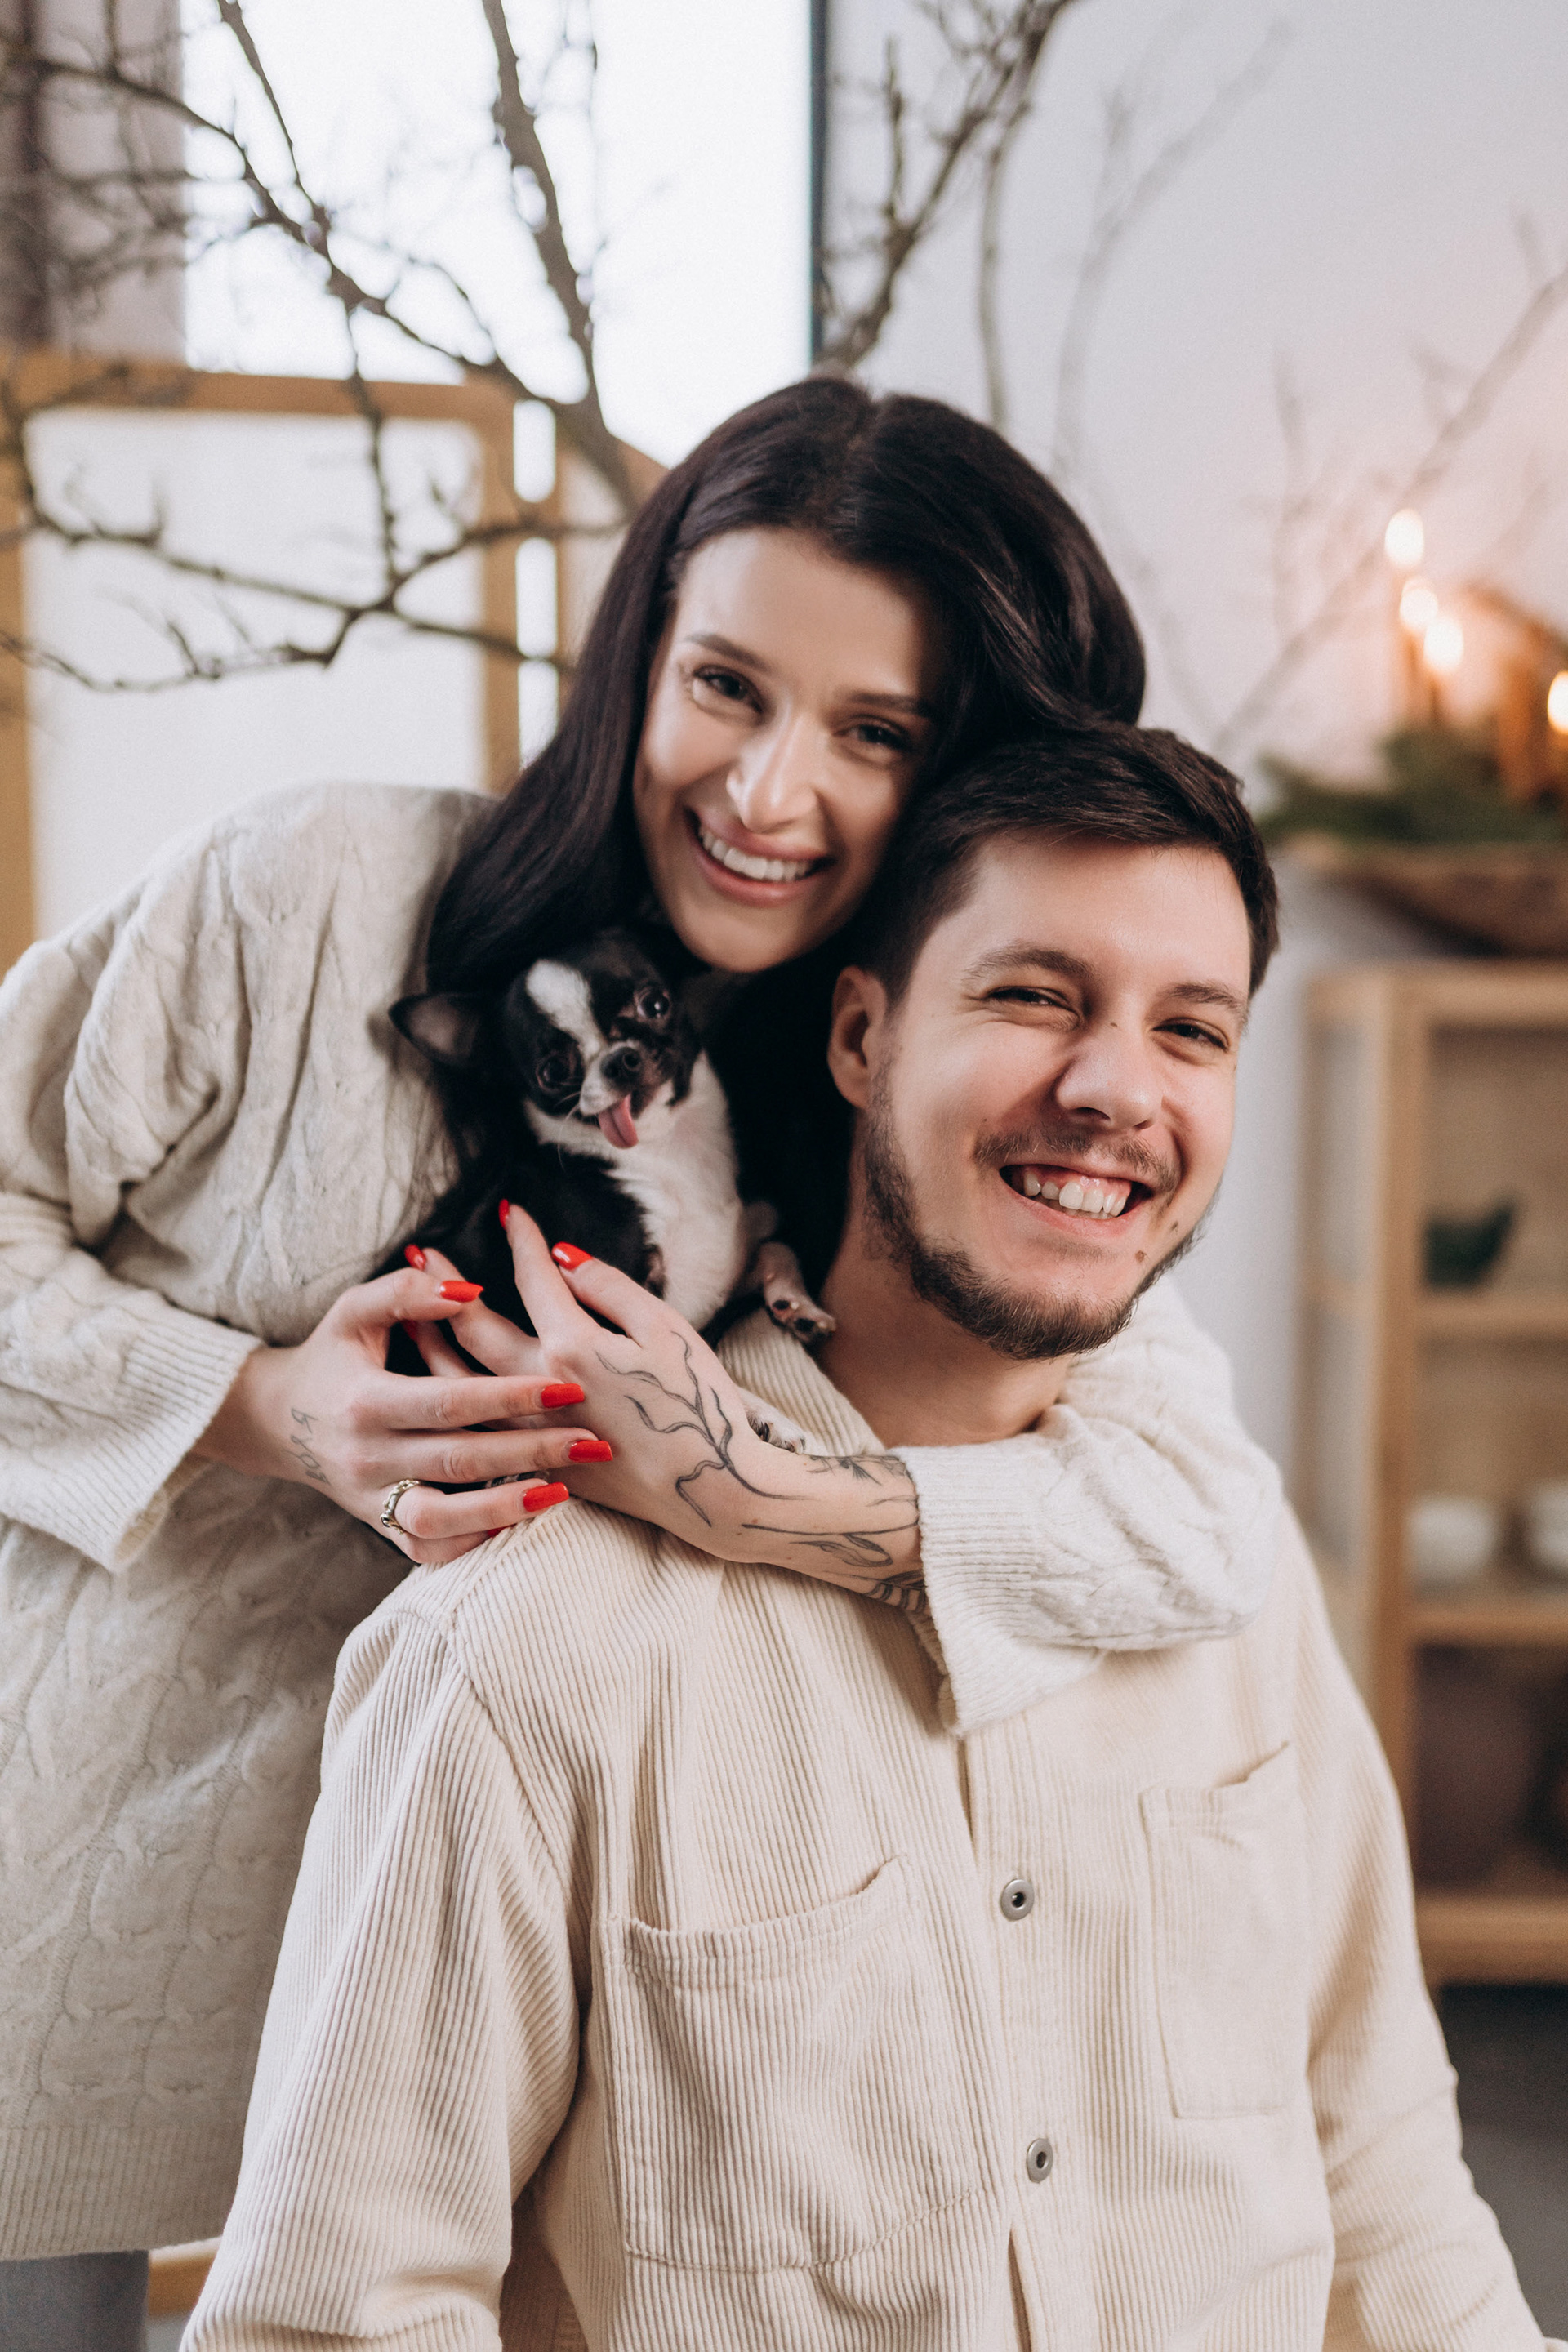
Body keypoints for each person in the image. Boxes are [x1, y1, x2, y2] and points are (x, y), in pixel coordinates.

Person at [0, 381, 1279, 2339]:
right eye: (726, 686)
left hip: (533, 2055)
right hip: (86, 1945)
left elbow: (1193, 1517)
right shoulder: (307, 897)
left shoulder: (900, 1120)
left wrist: (774, 1499)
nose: (769, 793)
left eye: (876, 734)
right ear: (636, 660)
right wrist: (263, 1410)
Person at [186, 725, 1556, 2352]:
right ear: (858, 1035)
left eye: (1192, 1029)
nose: (1117, 1089)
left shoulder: (1235, 1583)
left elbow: (1389, 2190)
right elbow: (335, 2318)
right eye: (1035, 996)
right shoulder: (522, 1651)